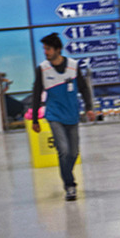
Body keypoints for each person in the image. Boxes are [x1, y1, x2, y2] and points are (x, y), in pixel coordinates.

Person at [31, 32, 96, 201]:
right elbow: (37, 94)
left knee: (73, 153)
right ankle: (70, 185)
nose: (46, 52)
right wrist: (36, 120)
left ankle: (67, 178)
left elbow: (83, 88)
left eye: (48, 49)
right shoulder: (43, 69)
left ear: (58, 49)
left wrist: (89, 107)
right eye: (44, 49)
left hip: (72, 115)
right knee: (63, 150)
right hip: (54, 116)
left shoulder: (73, 66)